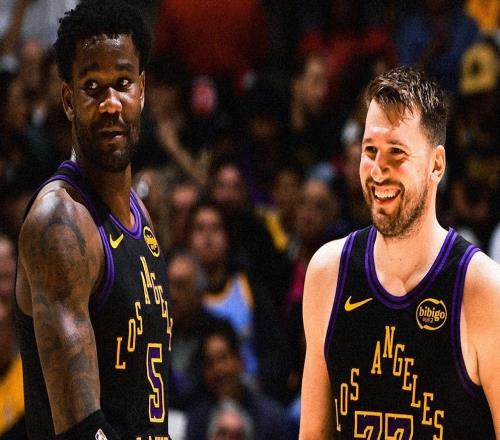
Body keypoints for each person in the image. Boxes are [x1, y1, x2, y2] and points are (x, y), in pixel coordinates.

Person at [300, 66, 500, 439]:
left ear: (436, 165)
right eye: (370, 150)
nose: (379, 170)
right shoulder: (328, 273)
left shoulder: (483, 289)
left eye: (397, 152)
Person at [15, 1, 173, 439]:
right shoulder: (60, 223)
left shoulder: (140, 214)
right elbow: (83, 430)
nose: (110, 104)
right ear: (68, 100)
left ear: (142, 89)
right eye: (92, 87)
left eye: (122, 83)